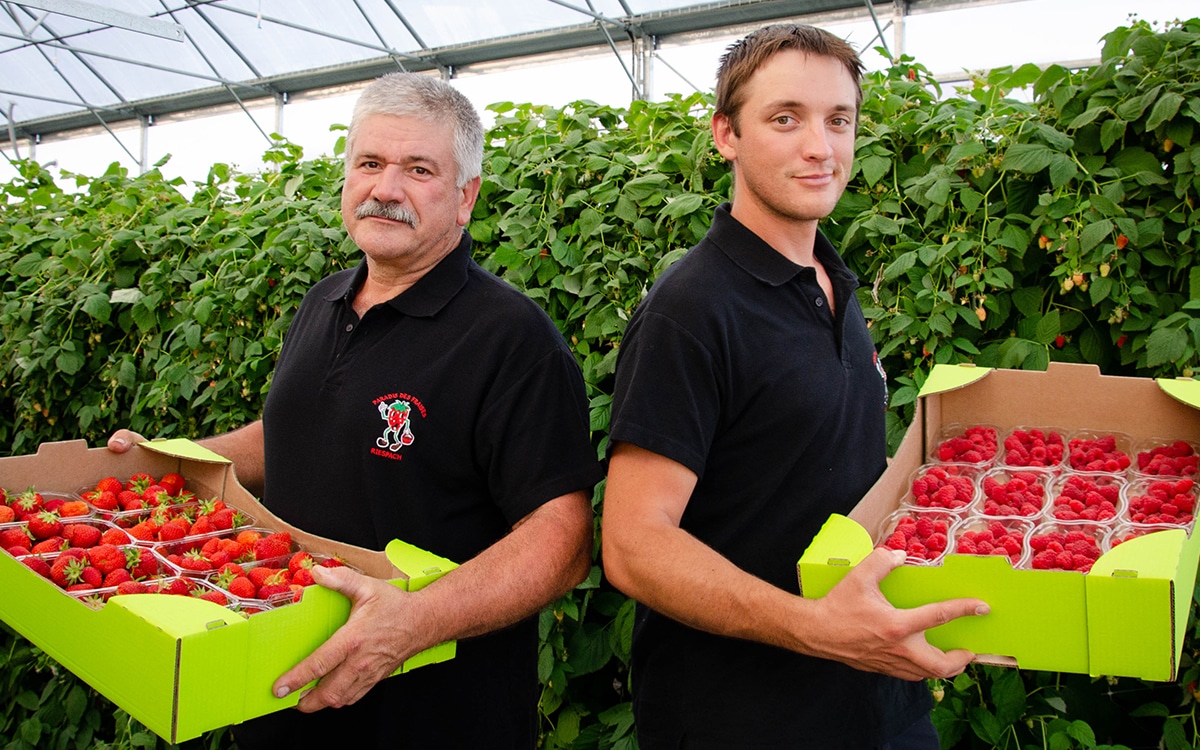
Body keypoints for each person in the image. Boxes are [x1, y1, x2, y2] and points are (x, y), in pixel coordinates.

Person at [109, 72, 603, 748]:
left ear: (466, 198)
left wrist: (413, 622)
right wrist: (165, 461)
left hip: (429, 717)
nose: (386, 188)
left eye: (418, 169)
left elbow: (562, 538)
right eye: (369, 163)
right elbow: (294, 434)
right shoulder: (324, 302)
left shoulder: (511, 339)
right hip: (280, 692)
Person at [600, 24, 990, 749]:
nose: (821, 146)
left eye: (838, 120)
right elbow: (633, 544)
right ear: (726, 134)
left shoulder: (834, 282)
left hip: (879, 700)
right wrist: (818, 628)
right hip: (745, 718)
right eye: (786, 118)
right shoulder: (691, 310)